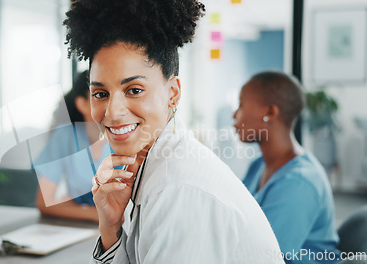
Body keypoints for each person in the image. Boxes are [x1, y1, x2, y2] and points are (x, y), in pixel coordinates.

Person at [63, 0, 284, 263]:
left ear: (173, 93)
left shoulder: (178, 187)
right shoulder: (153, 164)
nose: (112, 111)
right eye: (100, 94)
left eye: (134, 90)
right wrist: (110, 228)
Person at [234, 71, 340, 263]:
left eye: (241, 105)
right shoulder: (258, 166)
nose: (234, 115)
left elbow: (261, 256)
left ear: (269, 113)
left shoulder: (299, 182)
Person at [34, 70, 111, 222]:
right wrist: (98, 215)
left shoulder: (128, 136)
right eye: (101, 95)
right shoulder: (64, 137)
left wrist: (70, 206)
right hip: (84, 227)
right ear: (82, 104)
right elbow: (45, 203)